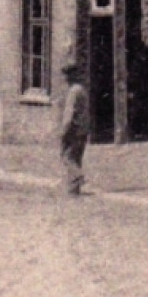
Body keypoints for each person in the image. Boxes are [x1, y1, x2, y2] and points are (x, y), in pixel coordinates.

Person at [57, 62, 90, 196]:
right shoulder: (82, 90)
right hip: (83, 130)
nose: (64, 79)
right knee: (77, 158)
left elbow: (69, 114)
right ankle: (74, 190)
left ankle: (78, 176)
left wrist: (63, 131)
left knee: (66, 157)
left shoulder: (73, 92)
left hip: (73, 130)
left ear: (69, 77)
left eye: (66, 76)